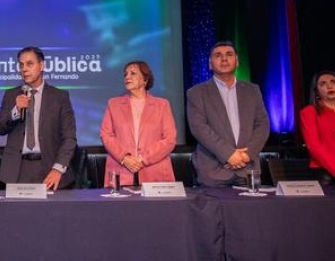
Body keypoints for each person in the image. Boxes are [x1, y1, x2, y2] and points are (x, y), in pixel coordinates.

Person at [187, 41, 270, 187]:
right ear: (210, 64)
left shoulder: (252, 90)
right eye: (218, 55)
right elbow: (199, 128)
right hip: (213, 171)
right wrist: (229, 155)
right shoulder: (196, 92)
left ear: (237, 62)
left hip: (247, 170)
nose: (224, 59)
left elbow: (262, 125)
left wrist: (246, 155)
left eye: (229, 54)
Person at [0, 46, 78, 190]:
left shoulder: (60, 97)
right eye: (21, 65)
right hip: (17, 171)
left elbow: (69, 138)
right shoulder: (11, 95)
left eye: (29, 64)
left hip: (50, 169)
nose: (24, 69)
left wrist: (58, 169)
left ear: (41, 66)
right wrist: (16, 110)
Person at [100, 61, 177, 187]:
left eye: (133, 73)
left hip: (155, 173)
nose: (127, 77)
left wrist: (143, 159)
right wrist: (124, 158)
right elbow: (106, 135)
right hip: (121, 172)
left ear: (145, 79)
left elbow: (169, 139)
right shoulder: (113, 104)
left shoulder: (162, 105)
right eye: (125, 74)